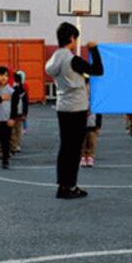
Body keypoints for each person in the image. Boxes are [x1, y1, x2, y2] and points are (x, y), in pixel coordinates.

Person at [45, 22, 103, 200]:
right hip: (77, 106)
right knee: (75, 148)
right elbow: (98, 71)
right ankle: (71, 186)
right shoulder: (73, 60)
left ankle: (62, 186)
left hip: (62, 105)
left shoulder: (53, 59)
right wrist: (94, 50)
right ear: (72, 38)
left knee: (65, 148)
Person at [10, 71, 29, 155]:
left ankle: (14, 145)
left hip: (13, 113)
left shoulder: (12, 90)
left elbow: (11, 103)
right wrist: (25, 113)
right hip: (20, 112)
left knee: (13, 130)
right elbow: (26, 103)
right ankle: (17, 145)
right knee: (18, 130)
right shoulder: (23, 90)